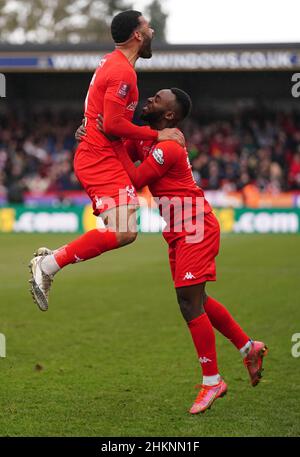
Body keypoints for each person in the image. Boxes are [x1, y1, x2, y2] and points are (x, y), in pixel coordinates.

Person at [76, 88, 268, 414]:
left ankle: (212, 380)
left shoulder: (168, 147)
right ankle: (249, 348)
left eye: (158, 99)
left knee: (189, 303)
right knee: (198, 300)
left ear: (169, 115)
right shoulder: (149, 140)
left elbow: (134, 178)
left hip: (195, 226)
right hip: (179, 230)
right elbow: (122, 147)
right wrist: (97, 134)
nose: (149, 99)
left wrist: (109, 138)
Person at [28, 10, 184, 311]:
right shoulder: (122, 71)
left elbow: (104, 117)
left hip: (102, 153)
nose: (152, 31)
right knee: (125, 231)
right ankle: (47, 265)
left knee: (125, 231)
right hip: (98, 157)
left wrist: (91, 126)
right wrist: (157, 136)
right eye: (147, 27)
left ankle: (49, 263)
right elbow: (111, 124)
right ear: (137, 35)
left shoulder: (114, 65)